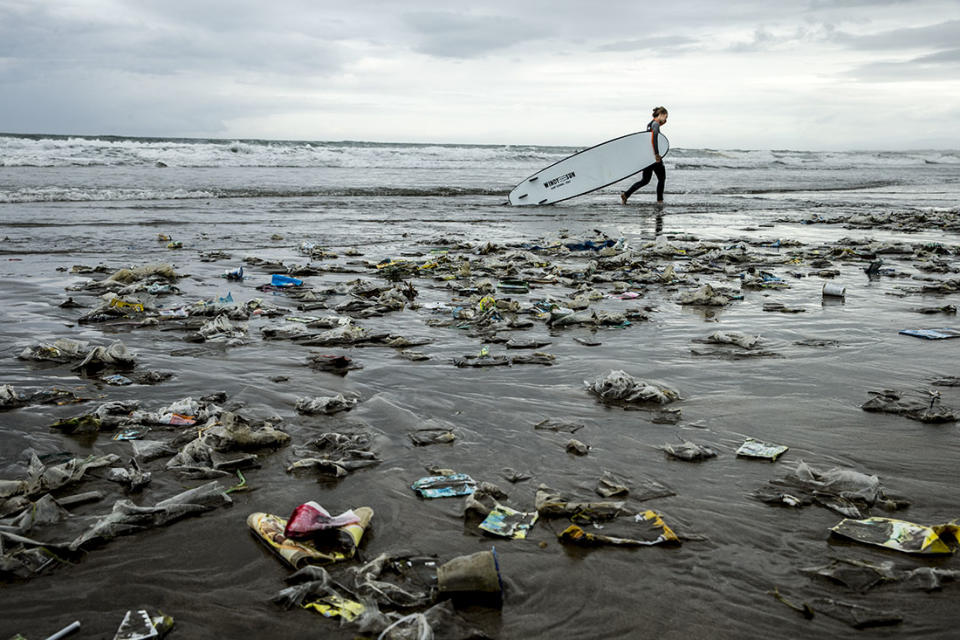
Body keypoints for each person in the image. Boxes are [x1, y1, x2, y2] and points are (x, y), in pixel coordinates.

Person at [620, 106, 668, 205]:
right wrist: (657, 154)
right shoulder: (655, 125)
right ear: (661, 114)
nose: (666, 119)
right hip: (654, 157)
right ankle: (660, 201)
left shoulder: (650, 124)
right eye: (665, 116)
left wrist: (663, 122)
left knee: (645, 180)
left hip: (648, 157)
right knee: (662, 179)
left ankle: (626, 194)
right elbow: (653, 139)